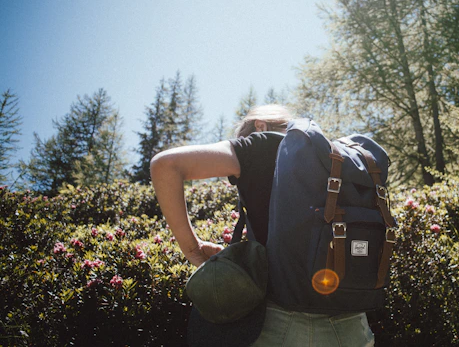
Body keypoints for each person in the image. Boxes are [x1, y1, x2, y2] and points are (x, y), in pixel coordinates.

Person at [151, 104, 375, 347]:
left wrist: (192, 249)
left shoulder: (263, 144)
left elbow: (166, 165)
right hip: (353, 325)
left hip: (282, 321)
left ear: (259, 126)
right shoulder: (337, 159)